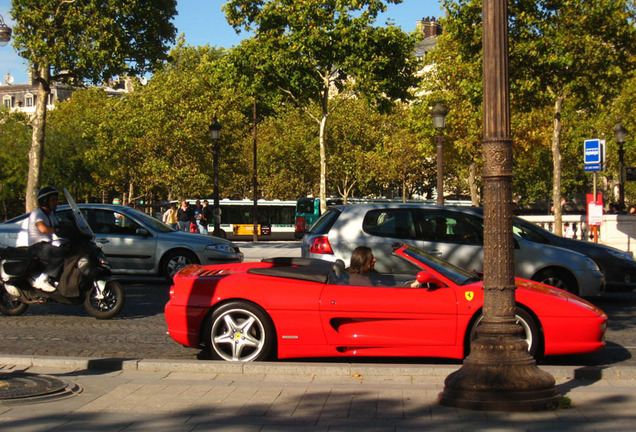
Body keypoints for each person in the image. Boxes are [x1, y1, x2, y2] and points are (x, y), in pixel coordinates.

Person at [28, 186, 65, 292]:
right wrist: (56, 230)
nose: (56, 202)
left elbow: (59, 225)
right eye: (53, 199)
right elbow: (43, 229)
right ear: (45, 201)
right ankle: (43, 278)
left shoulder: (51, 214)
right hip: (37, 246)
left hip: (46, 244)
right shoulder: (37, 214)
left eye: (56, 199)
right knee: (59, 253)